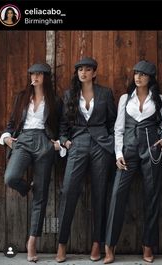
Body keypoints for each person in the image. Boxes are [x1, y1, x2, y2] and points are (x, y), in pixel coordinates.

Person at [104, 60, 162, 264]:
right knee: (117, 194)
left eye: (142, 74)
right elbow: (118, 128)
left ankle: (148, 245)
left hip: (151, 150)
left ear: (150, 78)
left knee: (152, 196)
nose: (138, 77)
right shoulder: (125, 98)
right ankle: (110, 246)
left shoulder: (159, 99)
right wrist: (118, 154)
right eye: (136, 74)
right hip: (128, 151)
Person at [0, 63, 63, 262]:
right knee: (10, 178)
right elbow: (11, 124)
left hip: (44, 143)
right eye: (32, 74)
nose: (34, 77)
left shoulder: (55, 100)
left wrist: (57, 145)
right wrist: (7, 138)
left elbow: (61, 127)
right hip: (23, 141)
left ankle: (32, 241)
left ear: (46, 77)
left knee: (41, 196)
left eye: (39, 74)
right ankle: (28, 188)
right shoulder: (21, 98)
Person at [55, 57, 117, 263]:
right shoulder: (69, 95)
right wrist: (65, 141)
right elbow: (63, 126)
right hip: (78, 144)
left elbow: (112, 122)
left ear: (94, 73)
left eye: (87, 69)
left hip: (101, 146)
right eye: (80, 69)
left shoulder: (105, 93)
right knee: (68, 191)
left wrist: (110, 142)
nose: (83, 73)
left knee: (100, 194)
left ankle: (97, 243)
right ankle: (62, 244)